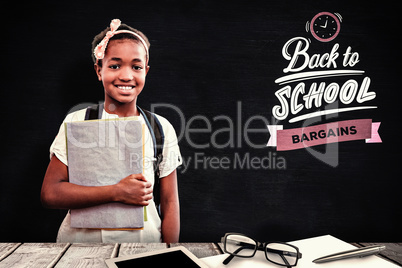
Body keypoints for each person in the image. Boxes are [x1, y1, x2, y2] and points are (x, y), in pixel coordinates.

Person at [41, 19, 182, 243]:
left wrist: (169, 251)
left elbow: (170, 202)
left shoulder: (160, 128)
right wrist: (117, 192)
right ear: (99, 70)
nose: (126, 76)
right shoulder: (78, 121)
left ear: (145, 71)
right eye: (115, 65)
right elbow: (50, 193)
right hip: (79, 247)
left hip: (142, 246)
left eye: (136, 67)